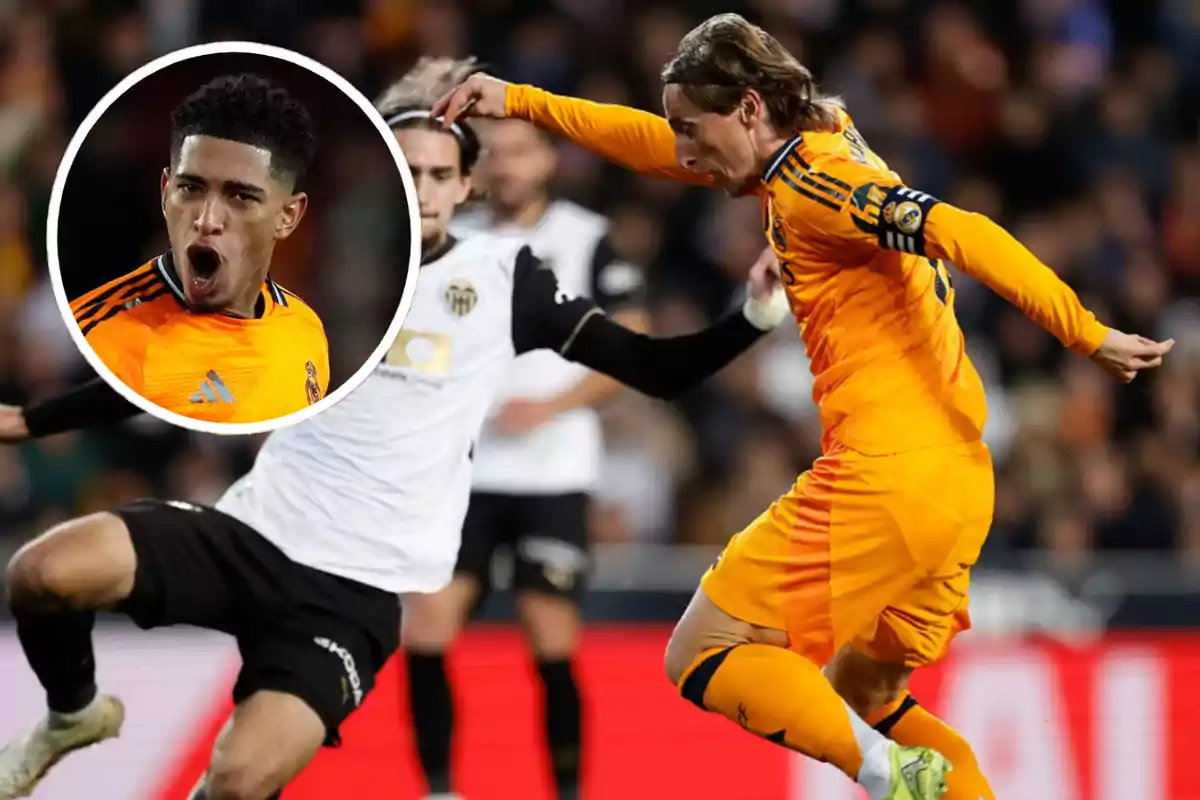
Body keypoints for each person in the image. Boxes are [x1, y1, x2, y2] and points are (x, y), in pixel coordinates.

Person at [0, 56, 791, 800]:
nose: (422, 188)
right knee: (41, 571)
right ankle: (74, 713)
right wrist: (33, 420)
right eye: (406, 171)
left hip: (353, 592)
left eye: (439, 175)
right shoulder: (339, 274)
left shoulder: (504, 279)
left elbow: (656, 370)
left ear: (467, 185)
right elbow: (171, 373)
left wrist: (754, 313)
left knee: (238, 781)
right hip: (251, 531)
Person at [433, 13, 1175, 800]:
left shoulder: (819, 183)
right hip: (957, 486)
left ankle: (889, 777)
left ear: (750, 107)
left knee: (703, 652)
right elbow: (652, 146)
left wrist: (1084, 331)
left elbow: (959, 229)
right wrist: (523, 101)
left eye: (694, 128)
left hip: (885, 475)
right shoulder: (824, 136)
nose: (682, 150)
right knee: (866, 699)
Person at [397, 117, 649, 800]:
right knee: (427, 627)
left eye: (520, 152)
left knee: (551, 636)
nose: (507, 166)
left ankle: (566, 792)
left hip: (552, 469)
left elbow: (633, 343)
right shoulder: (449, 237)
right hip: (462, 470)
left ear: (548, 160)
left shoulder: (586, 237)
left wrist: (553, 405)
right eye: (496, 155)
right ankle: (440, 789)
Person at [68, 73, 329, 424]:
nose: (207, 220)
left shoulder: (305, 331)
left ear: (287, 216)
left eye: (240, 196)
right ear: (165, 192)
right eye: (191, 188)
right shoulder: (99, 339)